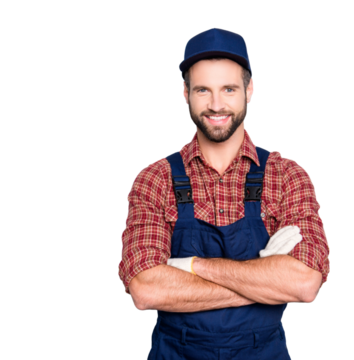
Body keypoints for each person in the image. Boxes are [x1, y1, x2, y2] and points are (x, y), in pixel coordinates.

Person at [118, 26, 330, 359]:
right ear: (185, 93)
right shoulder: (155, 179)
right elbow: (145, 290)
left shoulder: (287, 175)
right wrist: (263, 282)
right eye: (203, 90)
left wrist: (190, 266)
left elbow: (304, 283)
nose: (216, 105)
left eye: (228, 89)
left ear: (249, 90)